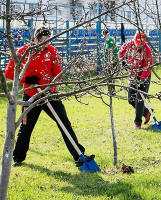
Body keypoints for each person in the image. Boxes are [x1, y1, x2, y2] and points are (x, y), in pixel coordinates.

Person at [5, 25, 95, 167]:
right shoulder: (23, 52)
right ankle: (18, 157)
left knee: (64, 123)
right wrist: (27, 80)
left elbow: (58, 74)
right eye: (44, 40)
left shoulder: (53, 52)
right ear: (35, 39)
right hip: (31, 97)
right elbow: (9, 73)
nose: (47, 43)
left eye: (49, 40)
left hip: (50, 95)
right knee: (26, 128)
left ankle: (79, 155)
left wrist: (50, 88)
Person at [118, 31, 153, 129]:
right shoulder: (129, 45)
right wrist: (123, 61)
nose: (138, 47)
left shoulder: (147, 51)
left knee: (139, 99)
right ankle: (146, 112)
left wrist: (141, 81)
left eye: (140, 45)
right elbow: (120, 52)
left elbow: (147, 68)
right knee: (131, 99)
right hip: (132, 75)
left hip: (143, 76)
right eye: (137, 45)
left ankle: (137, 123)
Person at [102, 29, 119, 94]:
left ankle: (111, 91)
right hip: (112, 60)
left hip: (111, 61)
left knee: (109, 76)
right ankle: (111, 91)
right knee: (110, 76)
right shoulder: (110, 39)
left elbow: (110, 51)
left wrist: (110, 61)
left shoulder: (109, 40)